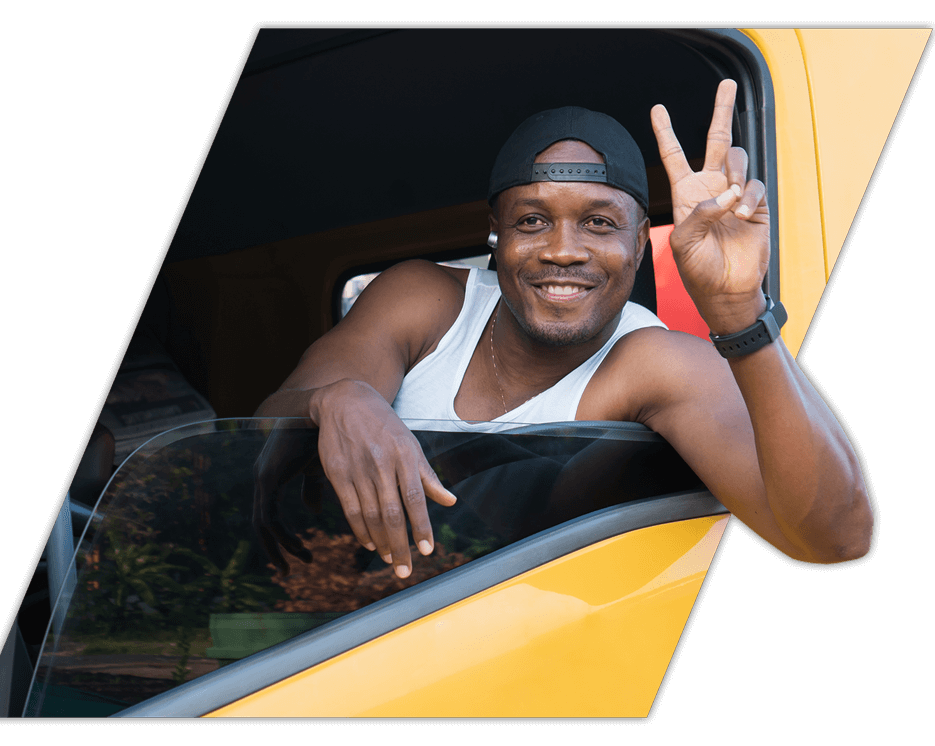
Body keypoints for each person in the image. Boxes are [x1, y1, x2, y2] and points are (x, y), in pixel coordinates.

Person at [252, 79, 873, 580]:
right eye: (531, 221)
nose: (562, 251)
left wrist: (741, 313)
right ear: (494, 235)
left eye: (600, 224)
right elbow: (259, 426)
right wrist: (339, 398)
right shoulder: (424, 298)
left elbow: (835, 539)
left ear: (638, 246)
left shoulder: (653, 362)